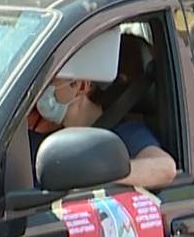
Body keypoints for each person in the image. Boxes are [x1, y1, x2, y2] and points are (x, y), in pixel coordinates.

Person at [27, 36, 177, 189]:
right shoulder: (38, 137)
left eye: (50, 81)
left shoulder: (125, 133)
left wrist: (98, 173)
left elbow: (165, 168)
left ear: (80, 86)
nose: (41, 90)